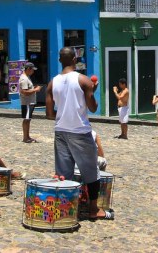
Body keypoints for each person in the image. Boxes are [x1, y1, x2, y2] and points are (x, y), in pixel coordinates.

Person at [45, 47, 114, 220]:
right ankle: (93, 210)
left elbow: (49, 114)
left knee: (63, 173)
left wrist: (63, 114)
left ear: (60, 60)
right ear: (75, 59)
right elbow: (93, 108)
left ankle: (65, 210)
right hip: (80, 131)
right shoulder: (83, 80)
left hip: (61, 131)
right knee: (91, 172)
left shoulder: (52, 83)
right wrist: (92, 90)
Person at [19, 62, 41, 143]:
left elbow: (27, 89)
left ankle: (27, 136)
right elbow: (24, 91)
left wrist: (33, 88)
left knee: (28, 119)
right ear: (28, 69)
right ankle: (25, 137)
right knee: (26, 119)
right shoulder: (24, 79)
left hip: (29, 102)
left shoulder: (27, 77)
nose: (33, 72)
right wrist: (36, 89)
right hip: (27, 102)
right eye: (32, 70)